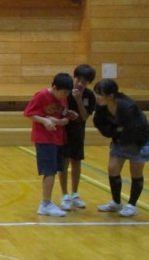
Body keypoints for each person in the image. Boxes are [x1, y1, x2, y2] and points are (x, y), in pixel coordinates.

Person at [93, 78, 149, 218]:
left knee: (136, 172)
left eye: (100, 94)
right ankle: (116, 202)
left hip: (139, 141)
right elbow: (100, 124)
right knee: (112, 168)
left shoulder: (128, 107)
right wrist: (116, 132)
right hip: (120, 139)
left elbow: (135, 129)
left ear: (111, 96)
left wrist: (121, 133)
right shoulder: (101, 107)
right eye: (96, 93)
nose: (97, 97)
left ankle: (132, 205)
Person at [23, 72, 76, 217]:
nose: (65, 96)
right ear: (54, 88)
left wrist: (67, 117)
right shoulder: (41, 95)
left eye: (67, 93)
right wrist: (45, 120)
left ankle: (47, 203)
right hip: (44, 139)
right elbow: (28, 113)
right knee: (49, 171)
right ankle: (46, 204)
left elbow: (62, 115)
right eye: (63, 93)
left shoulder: (63, 98)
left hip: (57, 137)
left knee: (55, 169)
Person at [59, 64, 97, 211]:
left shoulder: (89, 95)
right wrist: (67, 113)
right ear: (74, 77)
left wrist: (79, 100)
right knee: (63, 162)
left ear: (89, 83)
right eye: (78, 79)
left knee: (76, 161)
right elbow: (58, 109)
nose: (80, 83)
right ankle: (64, 195)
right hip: (63, 131)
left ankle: (74, 194)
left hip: (78, 132)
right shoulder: (65, 91)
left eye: (84, 81)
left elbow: (85, 116)